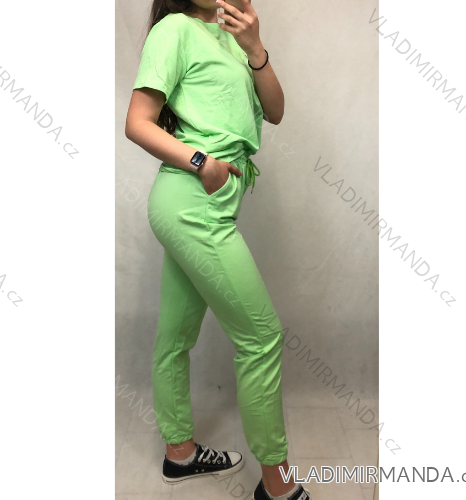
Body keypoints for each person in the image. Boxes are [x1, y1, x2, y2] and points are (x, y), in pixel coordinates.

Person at [125, 1, 310, 499]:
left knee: (175, 335)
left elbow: (276, 111)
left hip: (205, 205)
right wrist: (200, 161)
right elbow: (138, 122)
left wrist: (254, 46)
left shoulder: (232, 37)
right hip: (193, 201)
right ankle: (278, 485)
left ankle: (180, 453)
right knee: (262, 338)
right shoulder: (174, 29)